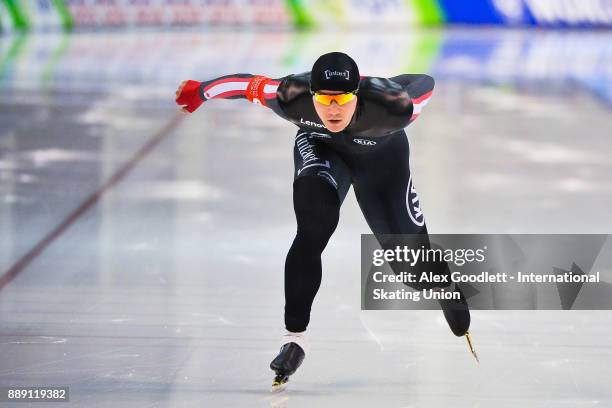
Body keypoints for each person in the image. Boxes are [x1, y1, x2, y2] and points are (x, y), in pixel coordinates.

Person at [175, 52, 475, 390]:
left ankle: (445, 287)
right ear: (311, 94)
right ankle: (295, 339)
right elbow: (245, 85)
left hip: (382, 162)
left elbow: (425, 83)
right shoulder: (290, 96)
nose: (333, 109)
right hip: (321, 149)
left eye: (342, 99)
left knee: (412, 271)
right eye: (324, 100)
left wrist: (392, 87)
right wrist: (201, 91)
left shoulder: (393, 106)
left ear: (356, 94)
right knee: (314, 226)